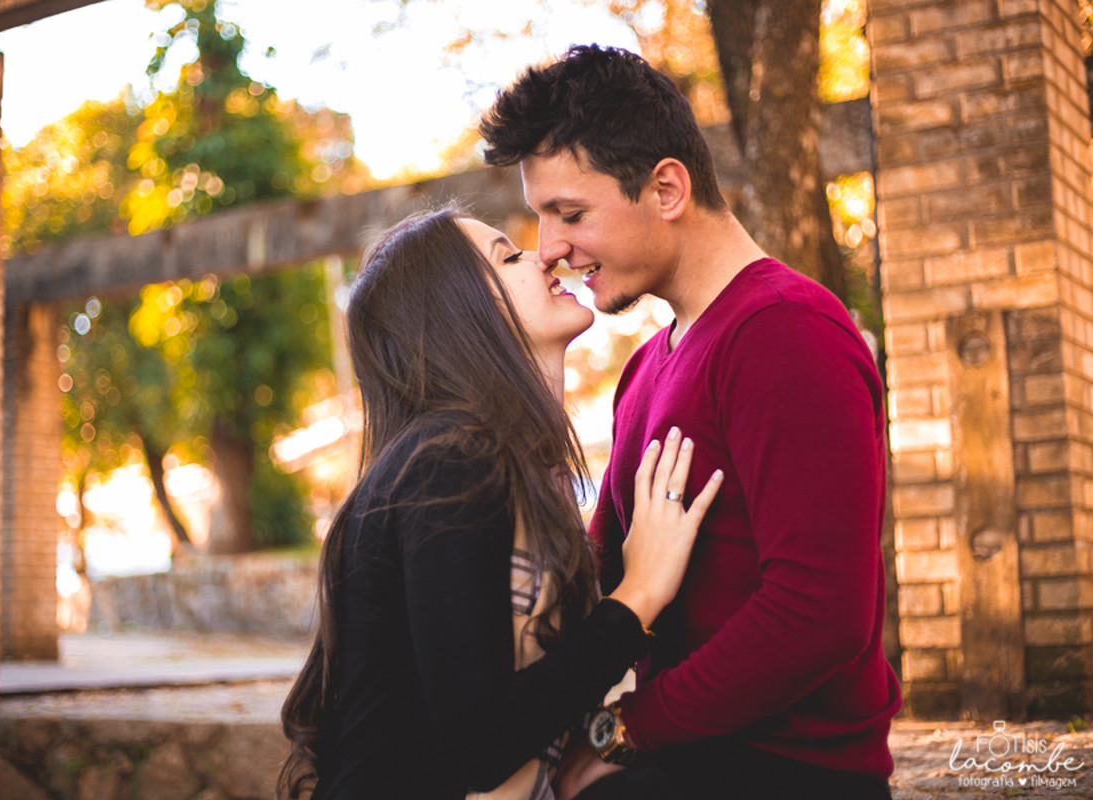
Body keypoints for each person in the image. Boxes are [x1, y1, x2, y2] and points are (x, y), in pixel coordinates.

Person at [479, 44, 902, 800]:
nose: (551, 250)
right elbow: (598, 577)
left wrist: (632, 730)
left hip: (783, 773)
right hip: (687, 757)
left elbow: (820, 613)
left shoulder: (788, 332)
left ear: (667, 187)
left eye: (570, 214)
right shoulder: (648, 368)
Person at [276, 206, 723, 800]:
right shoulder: (449, 463)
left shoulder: (514, 469)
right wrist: (635, 598)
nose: (543, 255)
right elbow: (477, 743)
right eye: (507, 257)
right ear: (459, 313)